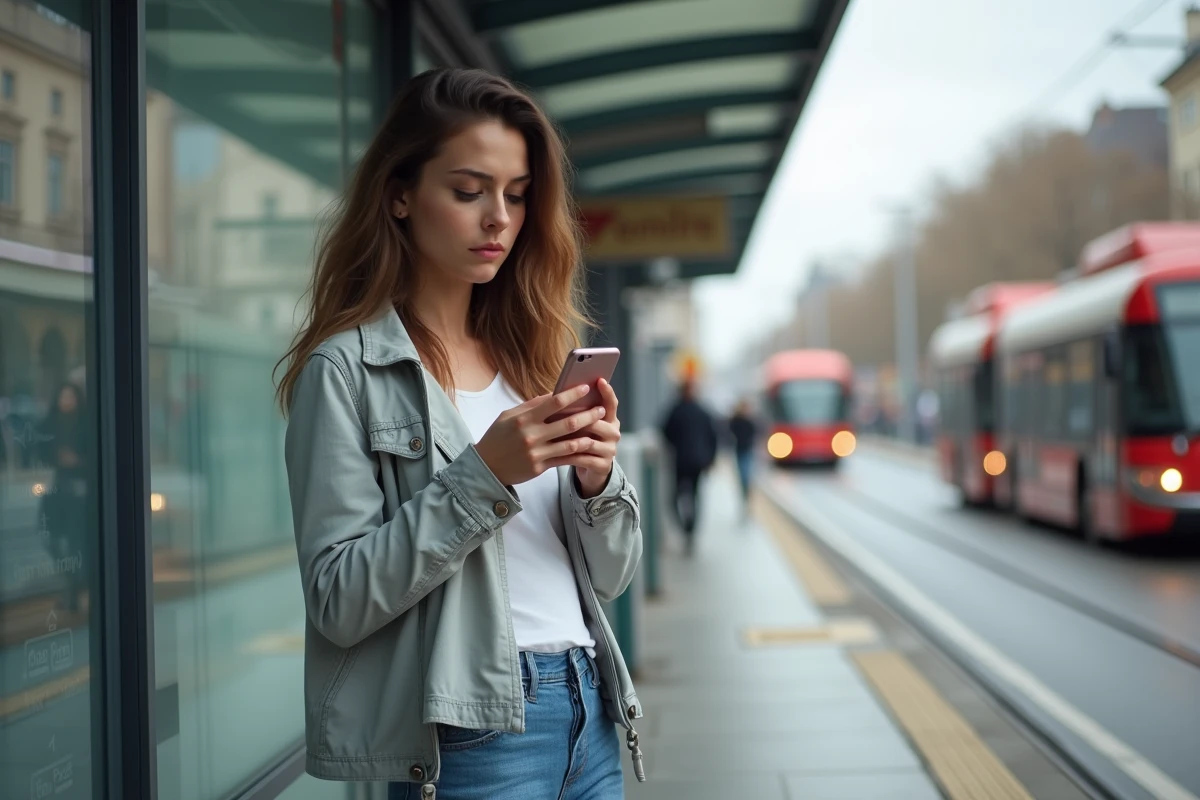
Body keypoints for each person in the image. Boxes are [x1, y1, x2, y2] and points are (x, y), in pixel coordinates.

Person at [276, 68, 644, 800]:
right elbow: (339, 599)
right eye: (470, 191)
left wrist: (600, 483)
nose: (499, 219)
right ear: (400, 194)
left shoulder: (535, 356)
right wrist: (484, 475)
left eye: (515, 194)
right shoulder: (345, 370)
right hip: (475, 733)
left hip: (589, 704)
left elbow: (612, 576)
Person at [660, 379, 718, 554]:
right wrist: (710, 459)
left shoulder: (675, 410)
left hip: (681, 460)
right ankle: (690, 530)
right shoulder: (704, 411)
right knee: (694, 496)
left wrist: (676, 446)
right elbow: (713, 436)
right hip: (698, 462)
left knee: (675, 497)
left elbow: (665, 432)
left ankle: (686, 529)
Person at [728, 399, 758, 513]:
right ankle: (745, 498)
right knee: (743, 476)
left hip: (748, 451)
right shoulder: (737, 421)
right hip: (740, 451)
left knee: (746, 476)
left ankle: (747, 498)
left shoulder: (749, 421)